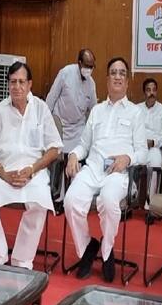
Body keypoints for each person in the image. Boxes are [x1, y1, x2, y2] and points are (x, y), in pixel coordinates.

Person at [63, 57, 147, 282]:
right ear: (107, 79)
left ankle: (107, 251)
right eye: (113, 72)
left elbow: (143, 152)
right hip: (92, 169)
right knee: (70, 202)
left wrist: (127, 158)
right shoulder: (96, 111)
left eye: (122, 73)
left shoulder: (136, 113)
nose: (117, 76)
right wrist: (73, 155)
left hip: (117, 172)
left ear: (127, 81)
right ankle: (87, 247)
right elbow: (84, 145)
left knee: (108, 201)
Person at [0, 62, 63, 269]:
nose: (17, 87)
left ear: (30, 84)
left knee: (39, 202)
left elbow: (54, 149)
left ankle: (22, 261)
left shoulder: (40, 108)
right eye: (13, 82)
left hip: (33, 172)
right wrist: (4, 174)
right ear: (8, 84)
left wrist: (32, 169)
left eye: (22, 82)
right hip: (3, 172)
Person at [46, 49, 97, 153]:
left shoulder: (91, 83)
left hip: (78, 128)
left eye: (91, 67)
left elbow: (94, 109)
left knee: (79, 153)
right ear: (80, 63)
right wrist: (45, 119)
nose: (89, 69)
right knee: (56, 152)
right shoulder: (66, 72)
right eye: (87, 66)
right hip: (60, 123)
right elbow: (52, 97)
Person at [136, 78, 162, 209]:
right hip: (138, 147)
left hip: (154, 148)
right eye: (148, 90)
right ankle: (128, 201)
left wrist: (154, 142)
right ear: (144, 92)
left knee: (156, 163)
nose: (151, 93)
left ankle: (150, 204)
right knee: (127, 160)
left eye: (154, 90)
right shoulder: (136, 109)